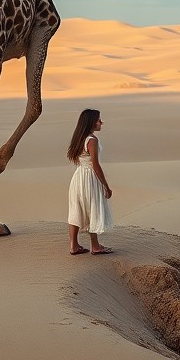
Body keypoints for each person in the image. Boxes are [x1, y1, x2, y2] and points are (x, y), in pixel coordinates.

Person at [66, 108, 114, 254]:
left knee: (77, 210)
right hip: (89, 179)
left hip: (78, 177)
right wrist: (106, 186)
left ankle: (74, 246)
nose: (101, 122)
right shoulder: (92, 140)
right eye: (99, 120)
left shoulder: (79, 138)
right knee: (92, 208)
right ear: (91, 122)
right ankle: (96, 246)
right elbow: (95, 165)